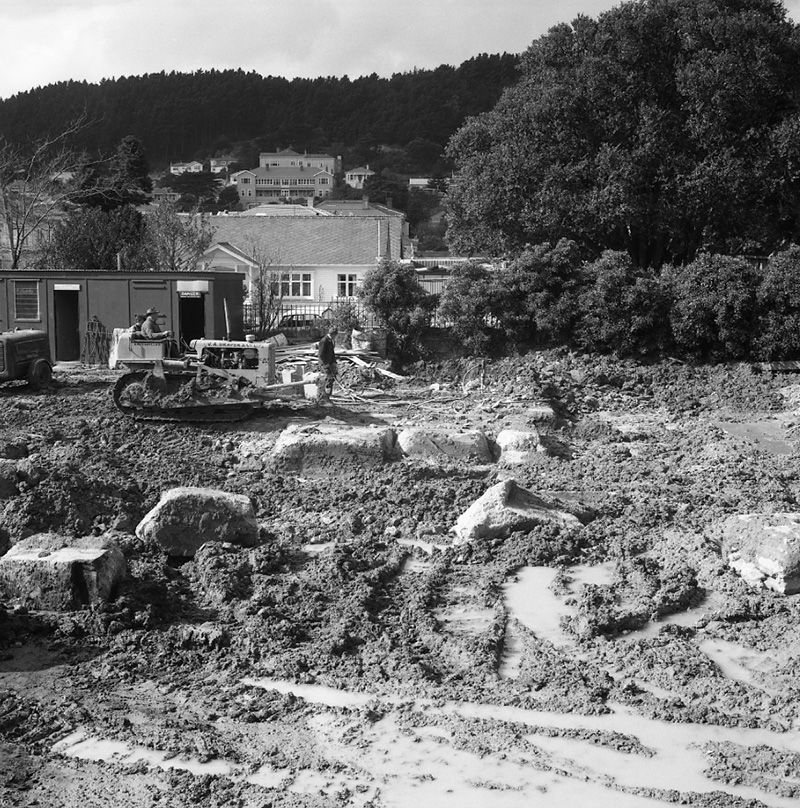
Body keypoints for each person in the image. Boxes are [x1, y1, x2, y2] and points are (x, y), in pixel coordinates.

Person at [317, 325, 338, 401]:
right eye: (335, 335)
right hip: (325, 364)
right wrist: (325, 364)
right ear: (333, 334)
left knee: (332, 379)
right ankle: (324, 396)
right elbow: (321, 355)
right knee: (327, 379)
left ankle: (329, 394)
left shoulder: (331, 340)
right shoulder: (324, 341)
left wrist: (334, 362)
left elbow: (332, 353)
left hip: (330, 363)